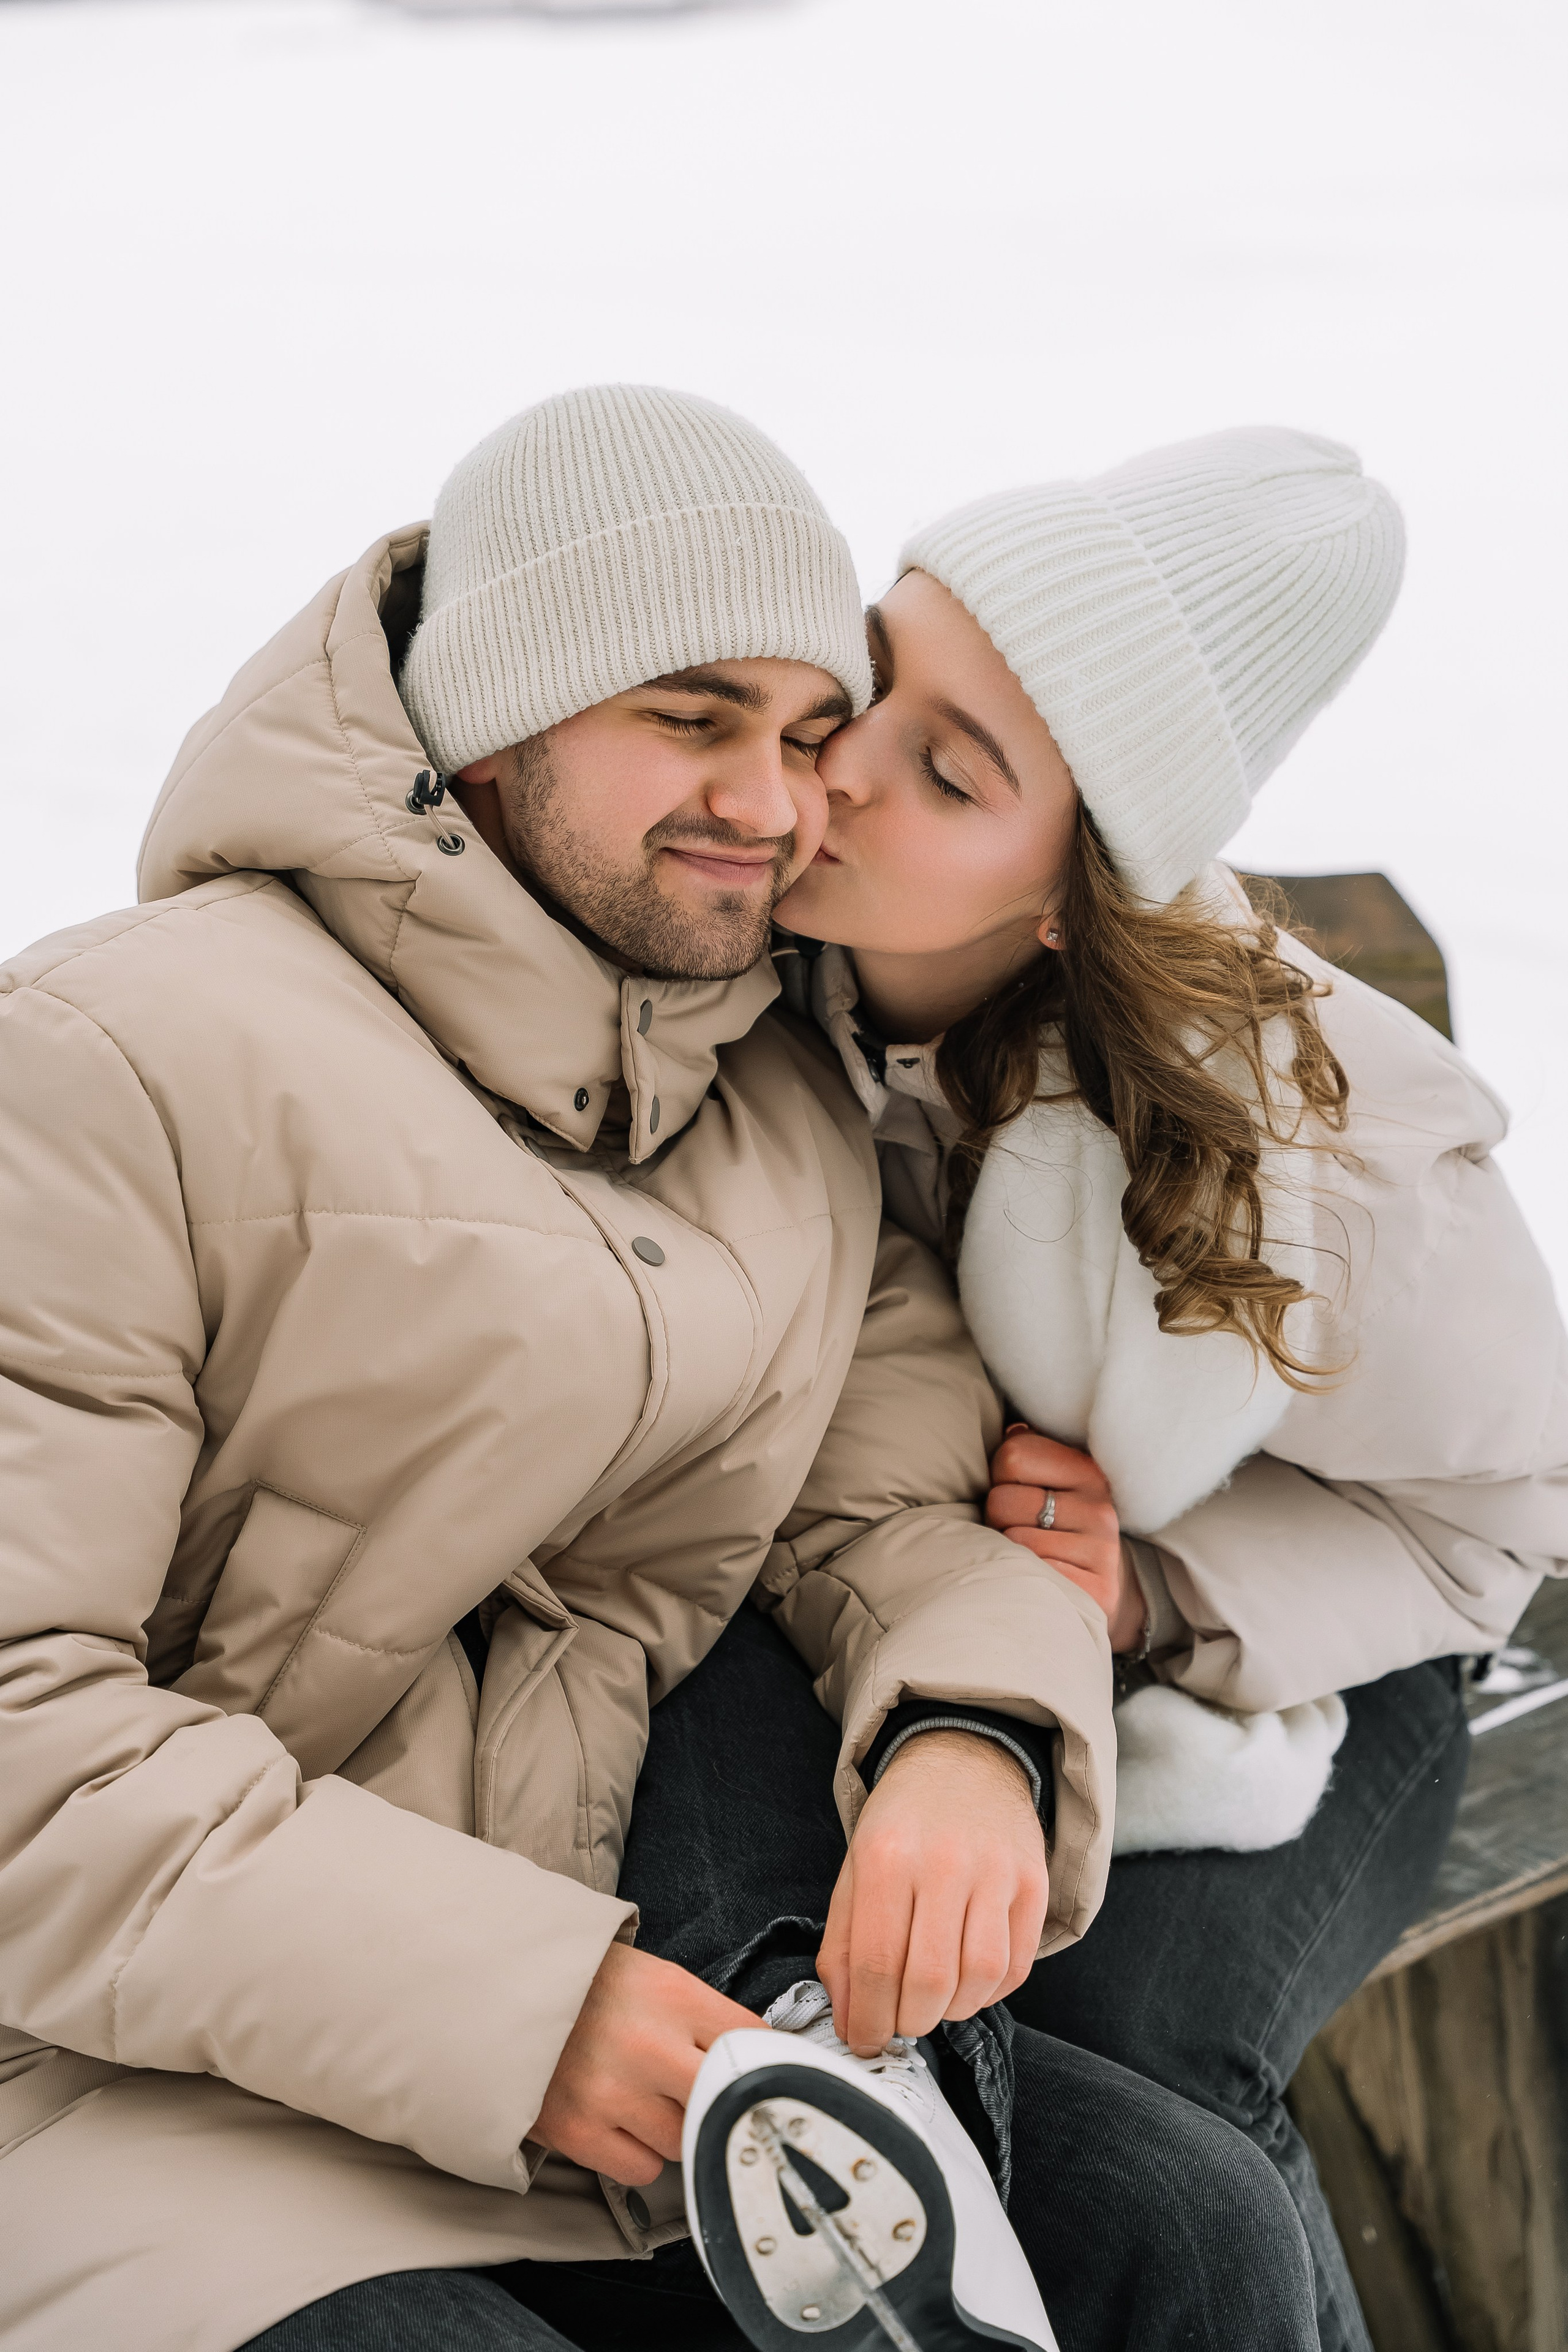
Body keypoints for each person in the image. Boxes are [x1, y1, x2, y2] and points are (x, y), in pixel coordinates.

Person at [0, 386, 1321, 2352]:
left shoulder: (774, 1100)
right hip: (176, 2077)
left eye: (808, 737)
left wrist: (981, 1732)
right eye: (687, 720)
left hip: (695, 2054)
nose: (772, 806)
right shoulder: (113, 1061)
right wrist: (516, 2011)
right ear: (499, 719)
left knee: (1186, 2237)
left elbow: (890, 1513)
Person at [774, 424, 1568, 2352]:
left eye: (948, 770)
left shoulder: (1322, 1172)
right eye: (872, 677)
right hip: (931, 1620)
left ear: (1072, 900)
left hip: (1319, 1664)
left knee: (1134, 2053)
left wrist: (1158, 1596)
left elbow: (1506, 1521)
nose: (843, 770)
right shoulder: (755, 952)